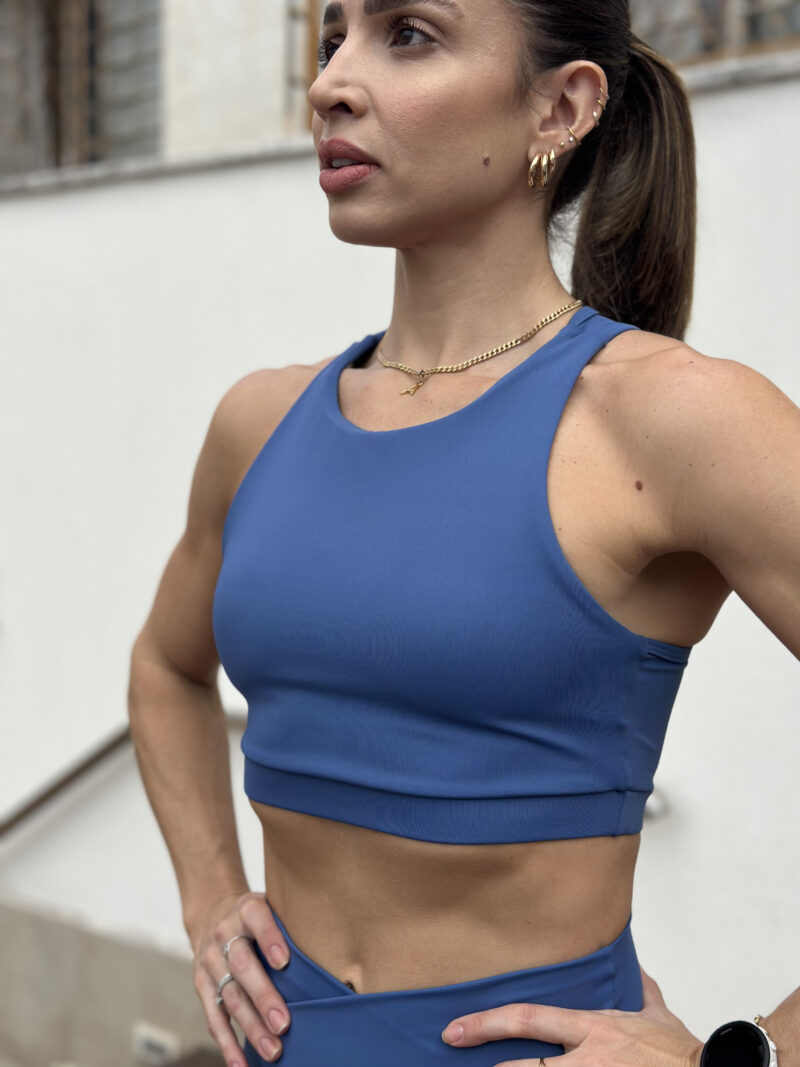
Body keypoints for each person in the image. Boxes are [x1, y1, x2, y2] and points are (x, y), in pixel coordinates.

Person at [127, 1, 800, 1065]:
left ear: (561, 105)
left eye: (409, 34)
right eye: (333, 37)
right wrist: (210, 892)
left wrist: (748, 1052)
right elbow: (166, 666)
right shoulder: (258, 423)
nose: (329, 84)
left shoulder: (671, 417)